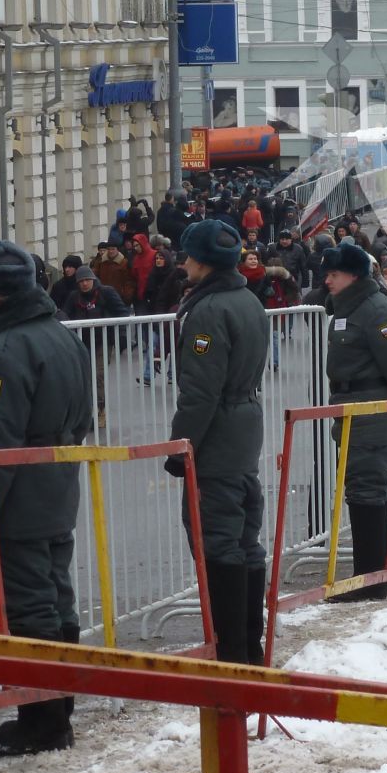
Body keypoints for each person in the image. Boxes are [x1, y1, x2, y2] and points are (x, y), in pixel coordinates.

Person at [0, 240, 93, 757]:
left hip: (18, 498)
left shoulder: (3, 350)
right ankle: (58, 710)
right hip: (57, 482)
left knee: (27, 608)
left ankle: (42, 721)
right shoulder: (60, 335)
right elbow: (83, 416)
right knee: (55, 597)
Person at [167, 221, 269, 664]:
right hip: (244, 427)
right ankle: (249, 644)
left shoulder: (208, 311)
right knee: (245, 538)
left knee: (217, 540)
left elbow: (201, 391)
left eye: (188, 255)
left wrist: (180, 445)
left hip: (219, 437)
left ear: (204, 261)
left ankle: (232, 650)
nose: (183, 262)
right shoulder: (247, 299)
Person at [322, 241, 387, 600]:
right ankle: (378, 574)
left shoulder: (374, 310)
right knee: (365, 485)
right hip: (353, 403)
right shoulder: (350, 306)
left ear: (355, 275)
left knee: (366, 485)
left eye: (334, 274)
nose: (328, 281)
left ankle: (369, 579)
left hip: (371, 405)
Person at [57, 266, 131, 425]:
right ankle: (85, 411)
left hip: (102, 341)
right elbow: (65, 313)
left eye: (87, 280)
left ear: (93, 279)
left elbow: (122, 313)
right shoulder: (74, 296)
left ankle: (100, 409)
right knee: (83, 376)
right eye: (81, 281)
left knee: (98, 374)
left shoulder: (106, 293)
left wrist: (122, 335)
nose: (84, 284)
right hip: (80, 342)